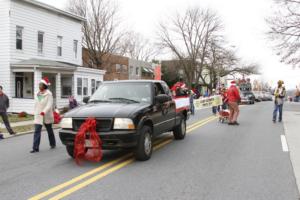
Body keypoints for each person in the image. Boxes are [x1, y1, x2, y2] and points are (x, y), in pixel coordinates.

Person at [30, 77, 56, 153]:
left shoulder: (49, 94)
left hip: (46, 115)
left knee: (49, 130)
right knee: (37, 131)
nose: (39, 86)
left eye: (41, 85)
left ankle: (52, 143)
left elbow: (49, 105)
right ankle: (35, 148)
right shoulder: (38, 94)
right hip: (38, 115)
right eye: (39, 85)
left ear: (44, 86)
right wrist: (34, 112)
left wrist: (44, 111)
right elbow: (37, 104)